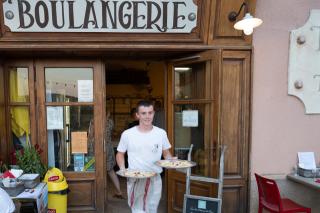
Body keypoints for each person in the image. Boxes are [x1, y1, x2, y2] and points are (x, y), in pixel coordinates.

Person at [116, 100, 174, 213]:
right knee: (138, 210)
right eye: (143, 113)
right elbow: (120, 154)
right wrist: (123, 170)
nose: (147, 116)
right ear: (137, 115)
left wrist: (171, 160)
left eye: (150, 112)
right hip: (136, 178)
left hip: (155, 178)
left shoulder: (161, 133)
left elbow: (166, 153)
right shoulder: (128, 134)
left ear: (153, 113)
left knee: (152, 209)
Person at [105, 111, 124, 199]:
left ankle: (98, 195)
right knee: (110, 170)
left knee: (96, 171)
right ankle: (119, 191)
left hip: (97, 148)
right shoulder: (110, 122)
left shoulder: (94, 121)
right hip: (108, 147)